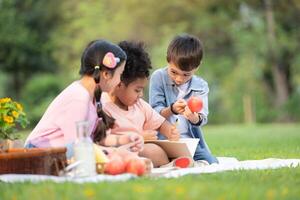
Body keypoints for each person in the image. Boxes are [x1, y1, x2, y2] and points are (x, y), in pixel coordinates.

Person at [25, 40, 143, 155]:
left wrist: (125, 139)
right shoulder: (78, 98)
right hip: (38, 154)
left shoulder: (95, 96)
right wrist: (114, 152)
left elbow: (97, 138)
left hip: (58, 155)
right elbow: (77, 147)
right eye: (120, 74)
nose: (119, 81)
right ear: (106, 74)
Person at [101, 41, 181, 167]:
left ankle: (171, 164)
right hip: (117, 153)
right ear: (118, 83)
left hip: (139, 150)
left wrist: (170, 131)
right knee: (152, 151)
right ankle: (169, 166)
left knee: (157, 150)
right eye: (137, 90)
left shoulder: (140, 105)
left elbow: (160, 123)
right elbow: (103, 140)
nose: (141, 95)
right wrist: (138, 137)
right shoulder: (104, 107)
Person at [149, 34, 218, 164]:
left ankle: (185, 161)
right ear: (168, 60)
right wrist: (172, 109)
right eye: (174, 72)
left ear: (197, 67)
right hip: (164, 140)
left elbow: (202, 118)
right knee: (158, 159)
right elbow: (153, 113)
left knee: (212, 163)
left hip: (190, 143)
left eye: (186, 74)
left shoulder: (201, 86)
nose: (179, 79)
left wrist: (192, 117)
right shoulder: (158, 77)